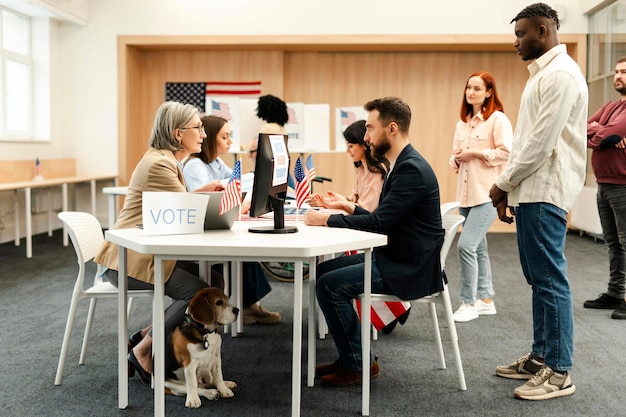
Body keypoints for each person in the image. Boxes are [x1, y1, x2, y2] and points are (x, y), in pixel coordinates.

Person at [304, 97, 444, 387]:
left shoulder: (410, 170)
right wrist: (349, 208)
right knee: (325, 272)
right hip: (399, 255)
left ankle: (357, 365)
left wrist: (326, 220)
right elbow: (383, 219)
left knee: (328, 286)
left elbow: (379, 225)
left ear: (391, 128)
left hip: (407, 266)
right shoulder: (403, 163)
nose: (365, 137)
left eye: (369, 129)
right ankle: (352, 356)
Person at [489, 3, 587, 400]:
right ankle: (541, 357)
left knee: (550, 280)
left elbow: (539, 144)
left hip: (545, 190)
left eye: (522, 34)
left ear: (544, 31)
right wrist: (510, 189)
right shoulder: (543, 75)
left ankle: (560, 371)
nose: (516, 42)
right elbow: (526, 142)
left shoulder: (561, 75)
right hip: (531, 190)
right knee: (538, 280)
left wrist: (501, 184)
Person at [94, 101, 226, 384]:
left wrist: (200, 193)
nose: (203, 134)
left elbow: (180, 205)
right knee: (200, 294)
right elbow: (190, 215)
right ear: (179, 134)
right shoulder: (159, 164)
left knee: (214, 280)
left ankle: (145, 335)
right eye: (198, 127)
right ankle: (143, 350)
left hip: (143, 252)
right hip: (128, 261)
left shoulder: (165, 160)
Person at [308, 120, 411, 334]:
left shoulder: (376, 172)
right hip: (376, 235)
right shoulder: (364, 169)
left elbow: (369, 214)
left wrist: (342, 207)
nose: (348, 150)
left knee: (331, 276)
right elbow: (356, 201)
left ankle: (391, 311)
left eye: (350, 145)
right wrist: (342, 201)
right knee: (326, 269)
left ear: (364, 145)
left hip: (378, 239)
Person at [183, 114, 281, 325]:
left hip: (216, 227)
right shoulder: (194, 167)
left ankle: (249, 305)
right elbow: (204, 204)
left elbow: (237, 184)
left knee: (247, 242)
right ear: (210, 139)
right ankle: (248, 306)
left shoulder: (216, 162)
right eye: (225, 136)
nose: (230, 142)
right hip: (203, 235)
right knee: (245, 246)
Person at [449, 71, 512, 323]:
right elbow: (453, 156)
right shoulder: (462, 124)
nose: (471, 92)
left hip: (487, 194)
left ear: (488, 92)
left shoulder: (498, 120)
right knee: (479, 248)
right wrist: (457, 157)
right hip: (465, 195)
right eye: (468, 88)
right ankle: (486, 299)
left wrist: (475, 153)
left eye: (476, 88)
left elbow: (507, 153)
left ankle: (468, 302)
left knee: (466, 246)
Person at [583, 57, 626, 319]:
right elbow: (583, 128)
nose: (618, 75)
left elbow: (608, 135)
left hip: (623, 185)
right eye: (617, 71)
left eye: (624, 72)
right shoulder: (610, 106)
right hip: (604, 183)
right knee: (613, 243)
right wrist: (600, 131)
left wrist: (601, 132)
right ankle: (615, 291)